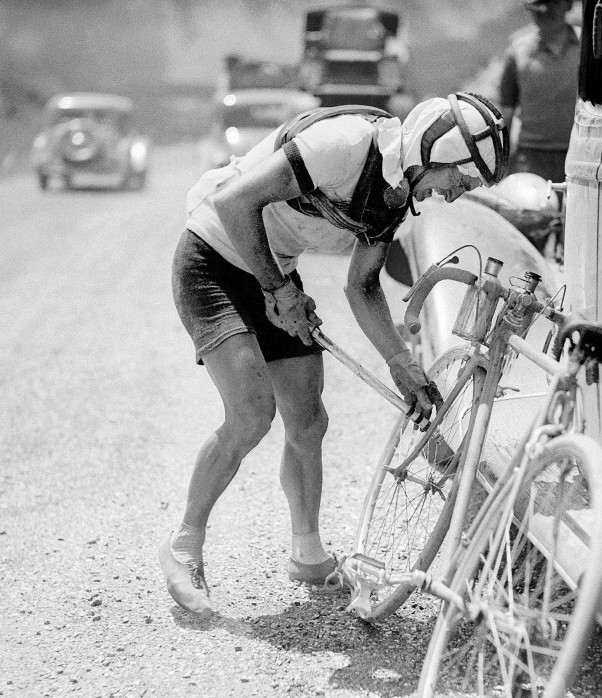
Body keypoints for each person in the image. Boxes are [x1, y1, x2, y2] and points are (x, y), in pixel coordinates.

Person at [161, 93, 509, 616]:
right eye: (460, 179)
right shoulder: (343, 146)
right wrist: (279, 292)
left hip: (270, 266)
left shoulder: (397, 195)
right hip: (214, 256)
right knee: (253, 413)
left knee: (308, 418)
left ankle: (307, 553)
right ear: (434, 151)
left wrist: (403, 366)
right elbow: (235, 204)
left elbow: (362, 286)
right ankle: (183, 546)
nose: (456, 196)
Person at [497, 0, 578, 184]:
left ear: (568, 5)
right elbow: (506, 109)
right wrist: (501, 160)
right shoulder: (518, 50)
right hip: (530, 159)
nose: (546, 11)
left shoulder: (588, 48)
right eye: (539, 5)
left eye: (553, 4)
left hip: (578, 155)